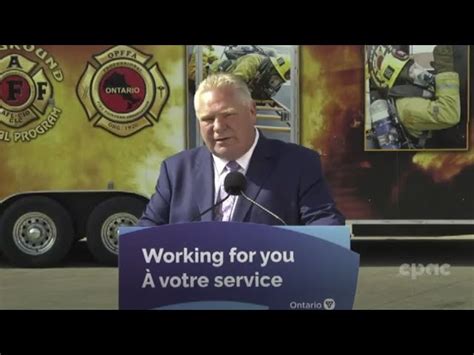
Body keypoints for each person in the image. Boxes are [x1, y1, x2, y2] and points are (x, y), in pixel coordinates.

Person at [138, 72, 344, 226]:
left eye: (228, 115)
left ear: (252, 111)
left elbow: (324, 222)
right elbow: (147, 231)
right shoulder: (175, 170)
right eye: (208, 119)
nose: (218, 127)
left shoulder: (298, 163)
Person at [367, 45, 461, 149]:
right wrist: (445, 71)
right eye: (411, 71)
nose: (418, 71)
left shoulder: (410, 91)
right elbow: (449, 113)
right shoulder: (406, 106)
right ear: (401, 80)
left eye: (414, 66)